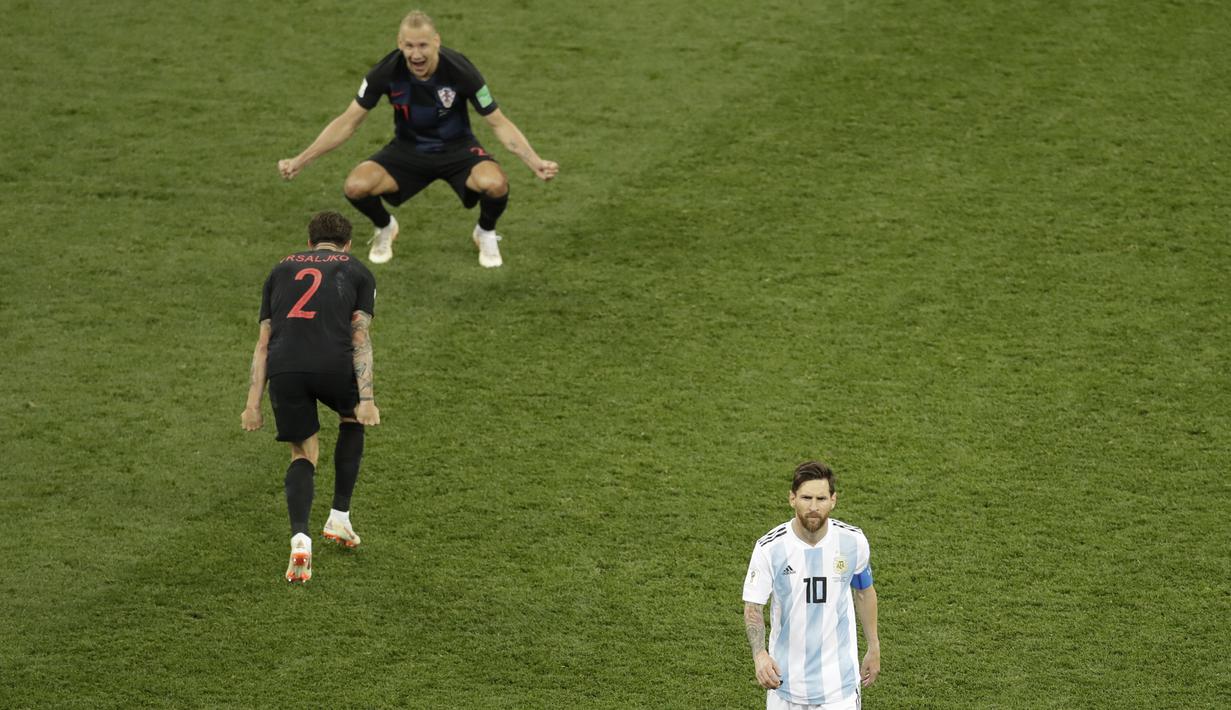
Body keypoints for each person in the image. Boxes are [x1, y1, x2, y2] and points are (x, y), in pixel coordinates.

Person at [277, 10, 559, 268]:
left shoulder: (461, 70)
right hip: (408, 150)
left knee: (495, 184)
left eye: (422, 45)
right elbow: (348, 121)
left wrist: (534, 161)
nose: (416, 54)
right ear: (400, 43)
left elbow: (498, 122)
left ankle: (484, 231)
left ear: (436, 41)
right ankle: (385, 226)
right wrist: (302, 159)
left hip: (458, 150)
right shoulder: (385, 72)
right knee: (356, 186)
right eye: (409, 46)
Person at [241, 211, 381, 583]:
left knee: (303, 453)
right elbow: (360, 337)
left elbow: (263, 343)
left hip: (286, 369)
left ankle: (300, 539)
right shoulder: (357, 270)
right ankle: (340, 517)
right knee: (351, 419)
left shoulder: (279, 270)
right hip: (333, 364)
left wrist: (252, 404)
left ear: (309, 242)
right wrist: (365, 399)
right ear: (347, 244)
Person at [743, 461, 881, 710]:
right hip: (785, 685)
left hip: (839, 689)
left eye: (821, 498)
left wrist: (874, 646)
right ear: (792, 499)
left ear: (833, 500)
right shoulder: (769, 548)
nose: (814, 507)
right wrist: (759, 655)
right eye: (806, 498)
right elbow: (753, 606)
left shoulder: (853, 542)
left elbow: (864, 592)